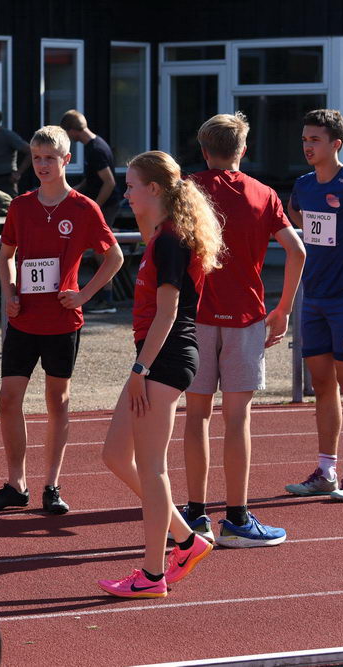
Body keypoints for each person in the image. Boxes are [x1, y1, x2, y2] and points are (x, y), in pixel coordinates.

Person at [0, 126, 123, 515]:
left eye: (49, 158)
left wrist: (84, 295)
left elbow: (114, 257)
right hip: (24, 319)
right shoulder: (21, 206)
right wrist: (8, 291)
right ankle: (15, 484)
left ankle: (52, 486)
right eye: (37, 157)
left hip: (63, 321)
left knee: (57, 401)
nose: (42, 165)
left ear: (66, 160)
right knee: (9, 398)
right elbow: (5, 255)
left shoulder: (83, 208)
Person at [99, 150, 224, 598]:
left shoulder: (171, 238)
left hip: (164, 359)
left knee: (152, 470)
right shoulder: (161, 235)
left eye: (131, 186)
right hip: (156, 357)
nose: (126, 193)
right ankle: (187, 541)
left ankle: (152, 575)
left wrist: (140, 368)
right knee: (115, 454)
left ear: (154, 189)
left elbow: (170, 310)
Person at [181, 113, 306, 547]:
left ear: (203, 149)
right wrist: (284, 308)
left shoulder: (187, 189)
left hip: (195, 317)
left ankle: (196, 515)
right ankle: (236, 517)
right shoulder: (264, 193)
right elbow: (297, 250)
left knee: (196, 417)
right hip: (246, 317)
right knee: (238, 420)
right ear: (243, 150)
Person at [284, 109, 343, 503]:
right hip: (314, 296)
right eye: (304, 139)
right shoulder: (303, 184)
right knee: (321, 385)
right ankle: (325, 471)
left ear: (336, 143)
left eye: (314, 140)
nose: (307, 146)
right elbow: (294, 213)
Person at [61, 110, 123, 314]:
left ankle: (107, 299)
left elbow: (109, 182)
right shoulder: (93, 146)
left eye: (66, 133)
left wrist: (94, 207)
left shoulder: (96, 149)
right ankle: (103, 296)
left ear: (72, 130)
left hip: (107, 204)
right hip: (102, 203)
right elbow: (94, 179)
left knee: (102, 251)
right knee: (99, 250)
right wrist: (73, 190)